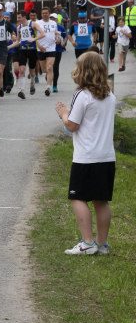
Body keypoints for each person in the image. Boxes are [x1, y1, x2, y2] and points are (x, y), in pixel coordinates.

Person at [55, 53, 116, 255]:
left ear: (83, 71)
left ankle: (88, 242)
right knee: (101, 200)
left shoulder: (82, 95)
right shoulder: (110, 95)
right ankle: (102, 243)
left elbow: (72, 125)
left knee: (78, 197)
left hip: (86, 157)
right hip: (106, 156)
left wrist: (64, 113)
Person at [14, 10, 44, 98]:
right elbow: (17, 41)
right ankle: (21, 90)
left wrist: (34, 39)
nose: (18, 19)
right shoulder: (18, 27)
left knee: (32, 71)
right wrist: (8, 47)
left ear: (24, 17)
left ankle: (32, 83)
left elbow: (42, 34)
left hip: (32, 50)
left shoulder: (33, 24)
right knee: (22, 70)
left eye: (19, 17)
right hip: (22, 50)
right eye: (17, 18)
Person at [36, 6, 61, 95]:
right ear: (41, 14)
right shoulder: (37, 23)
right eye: (43, 13)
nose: (45, 14)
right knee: (44, 70)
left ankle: (48, 87)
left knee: (50, 67)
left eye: (46, 13)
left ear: (49, 14)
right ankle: (48, 78)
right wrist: (38, 45)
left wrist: (58, 38)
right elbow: (34, 36)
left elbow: (56, 34)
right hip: (41, 48)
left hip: (51, 48)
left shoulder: (53, 23)